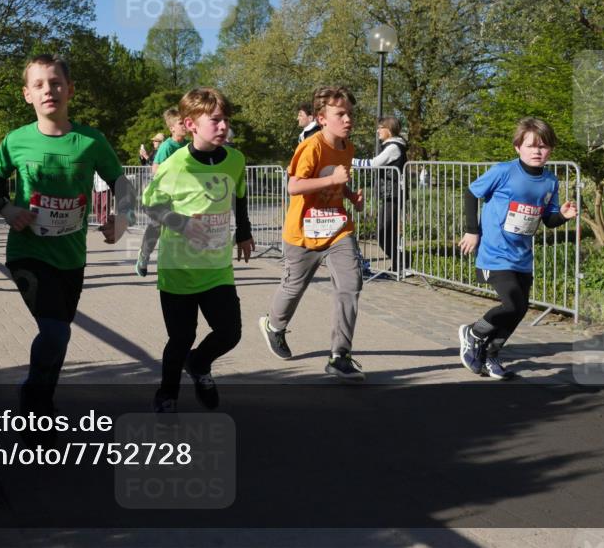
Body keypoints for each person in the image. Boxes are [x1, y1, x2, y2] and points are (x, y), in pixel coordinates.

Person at [0, 54, 135, 422]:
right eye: (39, 85)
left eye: (55, 83)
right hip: (28, 252)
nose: (48, 90)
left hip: (71, 257)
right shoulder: (17, 140)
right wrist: (6, 208)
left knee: (60, 333)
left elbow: (121, 182)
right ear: (27, 95)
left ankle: (43, 398)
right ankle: (34, 404)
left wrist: (124, 218)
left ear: (70, 90)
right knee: (54, 332)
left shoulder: (91, 141)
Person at [142, 88, 254, 413]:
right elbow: (150, 205)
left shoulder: (235, 159)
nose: (224, 126)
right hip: (179, 269)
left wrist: (244, 233)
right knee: (181, 339)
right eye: (215, 120)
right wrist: (181, 223)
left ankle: (200, 363)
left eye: (226, 120)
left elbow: (240, 194)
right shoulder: (175, 164)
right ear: (190, 124)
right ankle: (167, 395)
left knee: (230, 333)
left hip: (217, 267)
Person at [259, 86, 367, 380]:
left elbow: (336, 179)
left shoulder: (348, 147)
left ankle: (340, 356)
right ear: (322, 118)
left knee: (351, 284)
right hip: (303, 232)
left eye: (350, 114)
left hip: (337, 229)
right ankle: (274, 326)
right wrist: (333, 180)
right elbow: (294, 186)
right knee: (294, 288)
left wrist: (350, 195)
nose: (348, 119)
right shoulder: (311, 146)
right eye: (340, 114)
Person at [457, 118, 577, 380]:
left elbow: (548, 220)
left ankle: (491, 354)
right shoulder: (503, 171)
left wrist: (563, 216)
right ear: (518, 147)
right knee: (511, 304)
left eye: (543, 146)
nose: (537, 151)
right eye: (531, 146)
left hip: (522, 255)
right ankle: (474, 333)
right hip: (495, 252)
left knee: (520, 309)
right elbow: (471, 193)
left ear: (551, 150)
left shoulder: (550, 181)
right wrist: (472, 230)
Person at [134, 108, 189, 277]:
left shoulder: (189, 145)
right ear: (172, 128)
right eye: (181, 123)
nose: (185, 126)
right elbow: (155, 169)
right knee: (157, 226)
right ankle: (144, 255)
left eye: (186, 122)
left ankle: (179, 264)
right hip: (163, 195)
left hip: (182, 195)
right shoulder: (167, 146)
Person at [352, 116, 408, 276]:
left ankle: (401, 264)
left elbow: (374, 163)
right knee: (385, 232)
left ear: (389, 130)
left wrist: (350, 160)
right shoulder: (391, 145)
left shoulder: (394, 147)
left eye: (380, 127)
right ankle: (399, 264)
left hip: (394, 194)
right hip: (391, 194)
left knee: (383, 232)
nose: (378, 131)